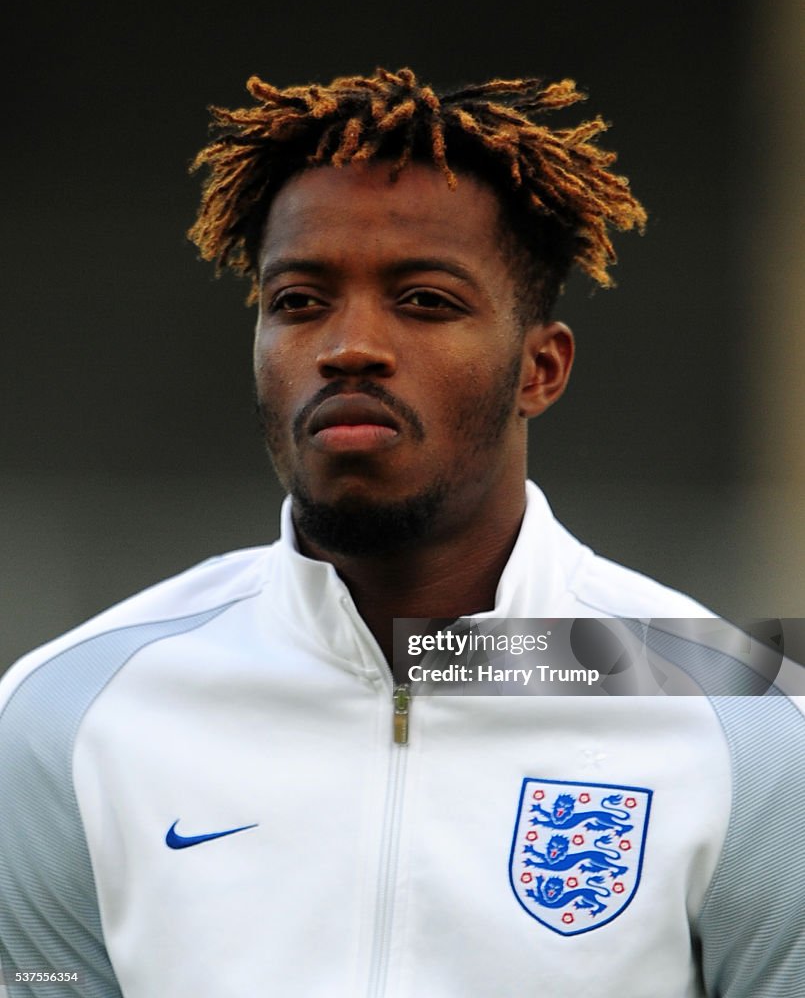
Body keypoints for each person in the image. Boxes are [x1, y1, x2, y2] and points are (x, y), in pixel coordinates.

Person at [0, 68, 802, 997]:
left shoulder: (744, 716)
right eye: (298, 301)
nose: (348, 346)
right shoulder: (65, 714)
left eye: (423, 300)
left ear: (540, 369)